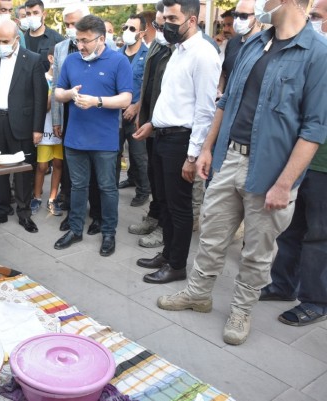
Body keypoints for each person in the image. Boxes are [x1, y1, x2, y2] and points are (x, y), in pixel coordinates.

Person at [157, 0, 327, 345]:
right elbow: (227, 100)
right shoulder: (254, 42)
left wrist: (285, 183)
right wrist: (207, 148)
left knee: (257, 251)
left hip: (272, 171)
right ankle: (198, 294)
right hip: (229, 158)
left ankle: (241, 311)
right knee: (211, 236)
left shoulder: (317, 52)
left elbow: (314, 128)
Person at [133, 0, 220, 284]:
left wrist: (193, 155)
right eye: (164, 18)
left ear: (192, 20)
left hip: (182, 141)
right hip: (162, 136)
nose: (166, 24)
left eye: (172, 18)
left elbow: (205, 110)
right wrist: (152, 123)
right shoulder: (177, 51)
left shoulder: (204, 54)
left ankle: (177, 264)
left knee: (179, 207)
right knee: (166, 202)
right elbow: (171, 98)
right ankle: (167, 254)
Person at [258, 0, 327, 327]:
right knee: (290, 228)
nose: (312, 22)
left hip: (323, 164)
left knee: (318, 235)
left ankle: (315, 298)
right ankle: (282, 283)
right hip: (298, 160)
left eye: (318, 17)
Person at [53, 15, 132, 257]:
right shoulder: (71, 61)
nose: (80, 46)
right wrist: (69, 94)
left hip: (105, 140)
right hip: (75, 137)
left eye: (85, 40)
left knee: (107, 187)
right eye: (78, 40)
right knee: (77, 186)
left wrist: (97, 101)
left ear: (102, 39)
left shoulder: (118, 62)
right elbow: (57, 93)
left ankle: (109, 232)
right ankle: (75, 229)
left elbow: (126, 98)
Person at [0, 19, 47, 233]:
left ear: (17, 39)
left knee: (23, 171)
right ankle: (1, 209)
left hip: (22, 124)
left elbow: (40, 97)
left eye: (5, 40)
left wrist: (37, 129)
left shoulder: (32, 60)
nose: (0, 44)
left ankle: (24, 213)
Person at [51, 4, 104, 236]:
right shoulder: (61, 48)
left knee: (96, 171)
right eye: (68, 25)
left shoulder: (105, 46)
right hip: (70, 114)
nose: (72, 29)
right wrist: (57, 118)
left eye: (76, 24)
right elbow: (57, 86)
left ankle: (98, 216)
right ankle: (74, 214)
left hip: (96, 115)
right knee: (72, 172)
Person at [128, 2, 173, 250]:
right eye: (156, 24)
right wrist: (141, 112)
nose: (159, 28)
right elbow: (148, 81)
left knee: (167, 184)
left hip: (169, 127)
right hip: (150, 122)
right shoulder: (158, 45)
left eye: (163, 23)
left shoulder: (184, 49)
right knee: (154, 177)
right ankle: (154, 216)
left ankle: (164, 228)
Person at [118, 14, 149, 207]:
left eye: (132, 28)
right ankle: (121, 182)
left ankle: (144, 190)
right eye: (125, 27)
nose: (127, 32)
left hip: (137, 115)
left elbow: (149, 87)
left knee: (139, 156)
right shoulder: (116, 54)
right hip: (116, 114)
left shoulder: (148, 55)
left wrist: (136, 107)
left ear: (142, 33)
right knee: (114, 153)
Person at [31, 46, 63, 217]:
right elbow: (43, 106)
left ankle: (52, 198)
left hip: (60, 130)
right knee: (42, 166)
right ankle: (36, 196)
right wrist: (51, 94)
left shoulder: (65, 79)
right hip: (44, 128)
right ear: (51, 58)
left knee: (58, 164)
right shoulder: (41, 78)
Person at [217, 0, 261, 97]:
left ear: (257, 16)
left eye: (243, 16)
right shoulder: (232, 43)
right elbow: (224, 72)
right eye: (235, 15)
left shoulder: (266, 44)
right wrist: (220, 90)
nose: (238, 20)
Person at [24, 0, 64, 71]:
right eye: (28, 14)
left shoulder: (57, 39)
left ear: (44, 14)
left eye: (35, 13)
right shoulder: (20, 40)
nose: (31, 16)